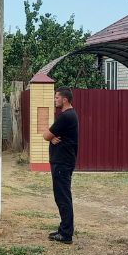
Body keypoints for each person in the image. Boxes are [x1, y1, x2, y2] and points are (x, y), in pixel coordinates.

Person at [41, 86, 79, 243]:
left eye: (57, 97)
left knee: (63, 197)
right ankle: (63, 229)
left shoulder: (65, 116)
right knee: (62, 196)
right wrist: (51, 137)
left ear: (65, 99)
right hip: (63, 161)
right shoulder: (70, 115)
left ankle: (66, 234)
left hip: (62, 162)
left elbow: (46, 135)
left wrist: (50, 137)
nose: (54, 99)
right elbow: (51, 135)